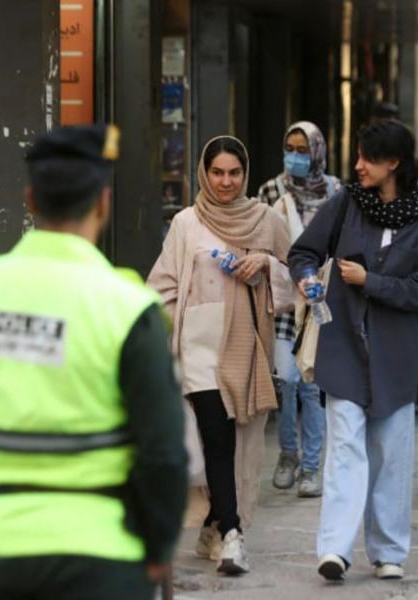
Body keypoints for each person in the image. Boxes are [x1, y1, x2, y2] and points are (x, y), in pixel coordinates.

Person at [0, 125, 188, 600]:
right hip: (102, 555)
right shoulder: (128, 307)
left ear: (30, 200)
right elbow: (164, 450)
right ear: (103, 204)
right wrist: (157, 546)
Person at [289, 120, 418, 582]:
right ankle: (335, 549)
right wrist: (309, 278)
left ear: (393, 163)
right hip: (343, 351)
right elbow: (303, 251)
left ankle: (389, 550)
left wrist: (369, 282)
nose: (357, 166)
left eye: (367, 158)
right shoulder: (345, 204)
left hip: (395, 356)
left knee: (392, 454)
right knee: (344, 451)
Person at [147, 135, 292, 575]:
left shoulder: (266, 220)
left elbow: (296, 278)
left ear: (245, 174)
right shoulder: (186, 223)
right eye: (217, 173)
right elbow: (162, 286)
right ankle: (233, 536)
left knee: (241, 440)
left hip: (246, 346)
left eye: (234, 173)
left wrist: (266, 265)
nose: (226, 182)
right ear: (203, 174)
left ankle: (214, 523)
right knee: (217, 435)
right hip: (197, 347)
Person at [257, 121, 340, 498]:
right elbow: (260, 240)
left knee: (312, 383)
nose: (295, 155)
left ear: (318, 152)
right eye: (290, 147)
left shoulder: (336, 191)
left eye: (303, 149)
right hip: (284, 300)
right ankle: (288, 454)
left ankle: (311, 467)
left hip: (320, 299)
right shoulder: (271, 190)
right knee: (286, 380)